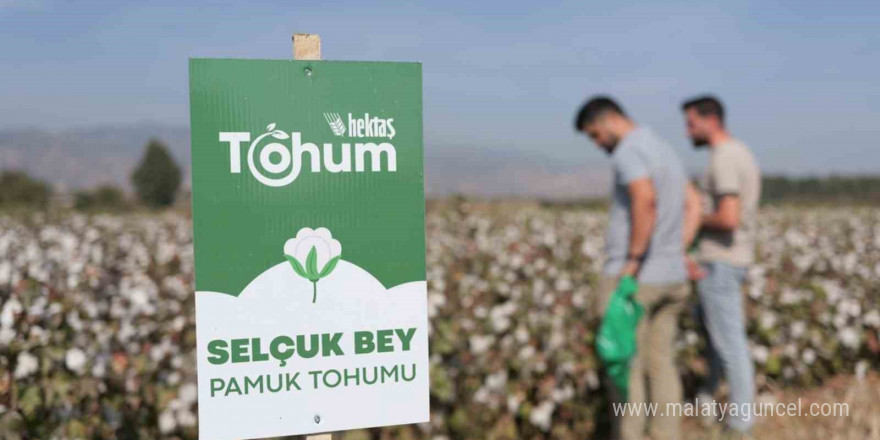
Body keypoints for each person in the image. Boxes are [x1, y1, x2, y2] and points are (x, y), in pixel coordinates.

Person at [574, 96, 701, 440]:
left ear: (609, 121)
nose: (598, 144)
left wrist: (633, 260)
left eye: (595, 135)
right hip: (672, 277)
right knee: (660, 366)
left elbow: (644, 198)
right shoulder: (664, 149)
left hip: (638, 278)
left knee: (624, 367)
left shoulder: (629, 151)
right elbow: (694, 203)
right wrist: (680, 250)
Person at [682, 95, 761, 437]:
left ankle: (741, 424)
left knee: (730, 344)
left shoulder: (725, 158)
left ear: (711, 120)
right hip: (725, 261)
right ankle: (707, 399)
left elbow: (729, 218)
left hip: (722, 262)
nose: (687, 131)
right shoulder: (736, 152)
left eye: (691, 123)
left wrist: (696, 216)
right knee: (718, 340)